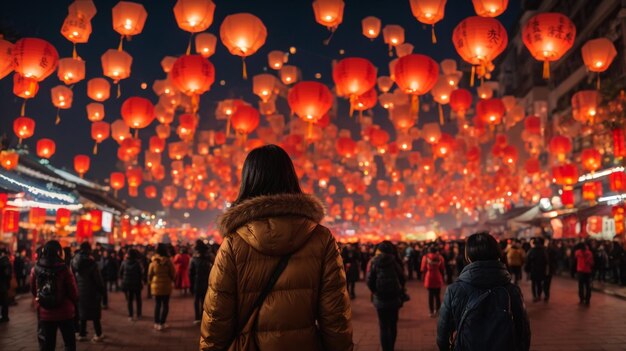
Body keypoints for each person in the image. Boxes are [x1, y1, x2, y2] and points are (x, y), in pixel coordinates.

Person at [200, 144, 353, 351]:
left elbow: (217, 318)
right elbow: (335, 317)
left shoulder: (234, 243)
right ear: (290, 178)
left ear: (247, 182)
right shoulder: (321, 238)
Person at [437, 232, 531, 351]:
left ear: (468, 257)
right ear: (497, 255)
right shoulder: (512, 290)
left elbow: (443, 332)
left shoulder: (454, 290)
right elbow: (523, 330)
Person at [31, 241, 78, 351]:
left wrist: (42, 300)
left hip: (45, 313)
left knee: (47, 345)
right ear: (59, 252)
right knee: (69, 343)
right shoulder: (64, 269)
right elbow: (73, 292)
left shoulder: (35, 269)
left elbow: (33, 290)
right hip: (65, 312)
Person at [367, 241, 405, 351]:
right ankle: (391, 348)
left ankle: (385, 349)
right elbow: (402, 278)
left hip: (380, 299)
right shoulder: (395, 261)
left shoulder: (374, 262)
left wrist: (375, 292)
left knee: (383, 326)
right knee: (393, 325)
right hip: (394, 298)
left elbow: (369, 280)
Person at [71, 242, 105, 343]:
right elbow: (98, 279)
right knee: (95, 314)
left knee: (82, 313)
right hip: (92, 291)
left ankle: (82, 334)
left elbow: (72, 277)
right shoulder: (91, 262)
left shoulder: (74, 261)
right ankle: (98, 334)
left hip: (80, 290)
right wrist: (101, 290)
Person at [148, 243, 175, 331]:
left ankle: (156, 323)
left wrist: (151, 282)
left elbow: (149, 274)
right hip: (166, 285)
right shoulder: (168, 261)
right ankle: (162, 323)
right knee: (165, 304)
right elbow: (173, 273)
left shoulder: (153, 261)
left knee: (157, 304)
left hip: (156, 286)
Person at [189, 240, 213, 324]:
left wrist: (191, 284)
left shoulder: (194, 258)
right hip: (207, 280)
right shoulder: (209, 257)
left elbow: (191, 272)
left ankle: (197, 317)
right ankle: (203, 317)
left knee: (196, 299)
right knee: (204, 300)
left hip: (197, 281)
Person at [119, 248, 143, 321]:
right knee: (138, 299)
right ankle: (139, 314)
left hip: (128, 283)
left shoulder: (124, 262)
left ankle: (130, 315)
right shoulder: (138, 263)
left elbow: (120, 273)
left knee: (130, 300)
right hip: (136, 283)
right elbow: (141, 274)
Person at [421, 246, 445, 317]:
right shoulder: (440, 257)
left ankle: (431, 312)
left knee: (430, 295)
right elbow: (442, 268)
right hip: (437, 276)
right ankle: (437, 310)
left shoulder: (425, 257)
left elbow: (423, 268)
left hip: (429, 277)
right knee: (437, 295)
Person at [524, 237, 548, 302]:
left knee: (533, 284)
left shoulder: (531, 251)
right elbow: (546, 261)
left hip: (533, 269)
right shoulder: (543, 251)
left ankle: (534, 296)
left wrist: (527, 270)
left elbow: (528, 261)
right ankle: (539, 295)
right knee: (539, 283)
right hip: (541, 270)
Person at [0, 247, 11, 323]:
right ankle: (5, 316)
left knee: (3, 301)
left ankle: (4, 316)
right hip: (4, 284)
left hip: (2, 283)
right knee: (4, 301)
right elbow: (8, 274)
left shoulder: (3, 261)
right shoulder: (7, 262)